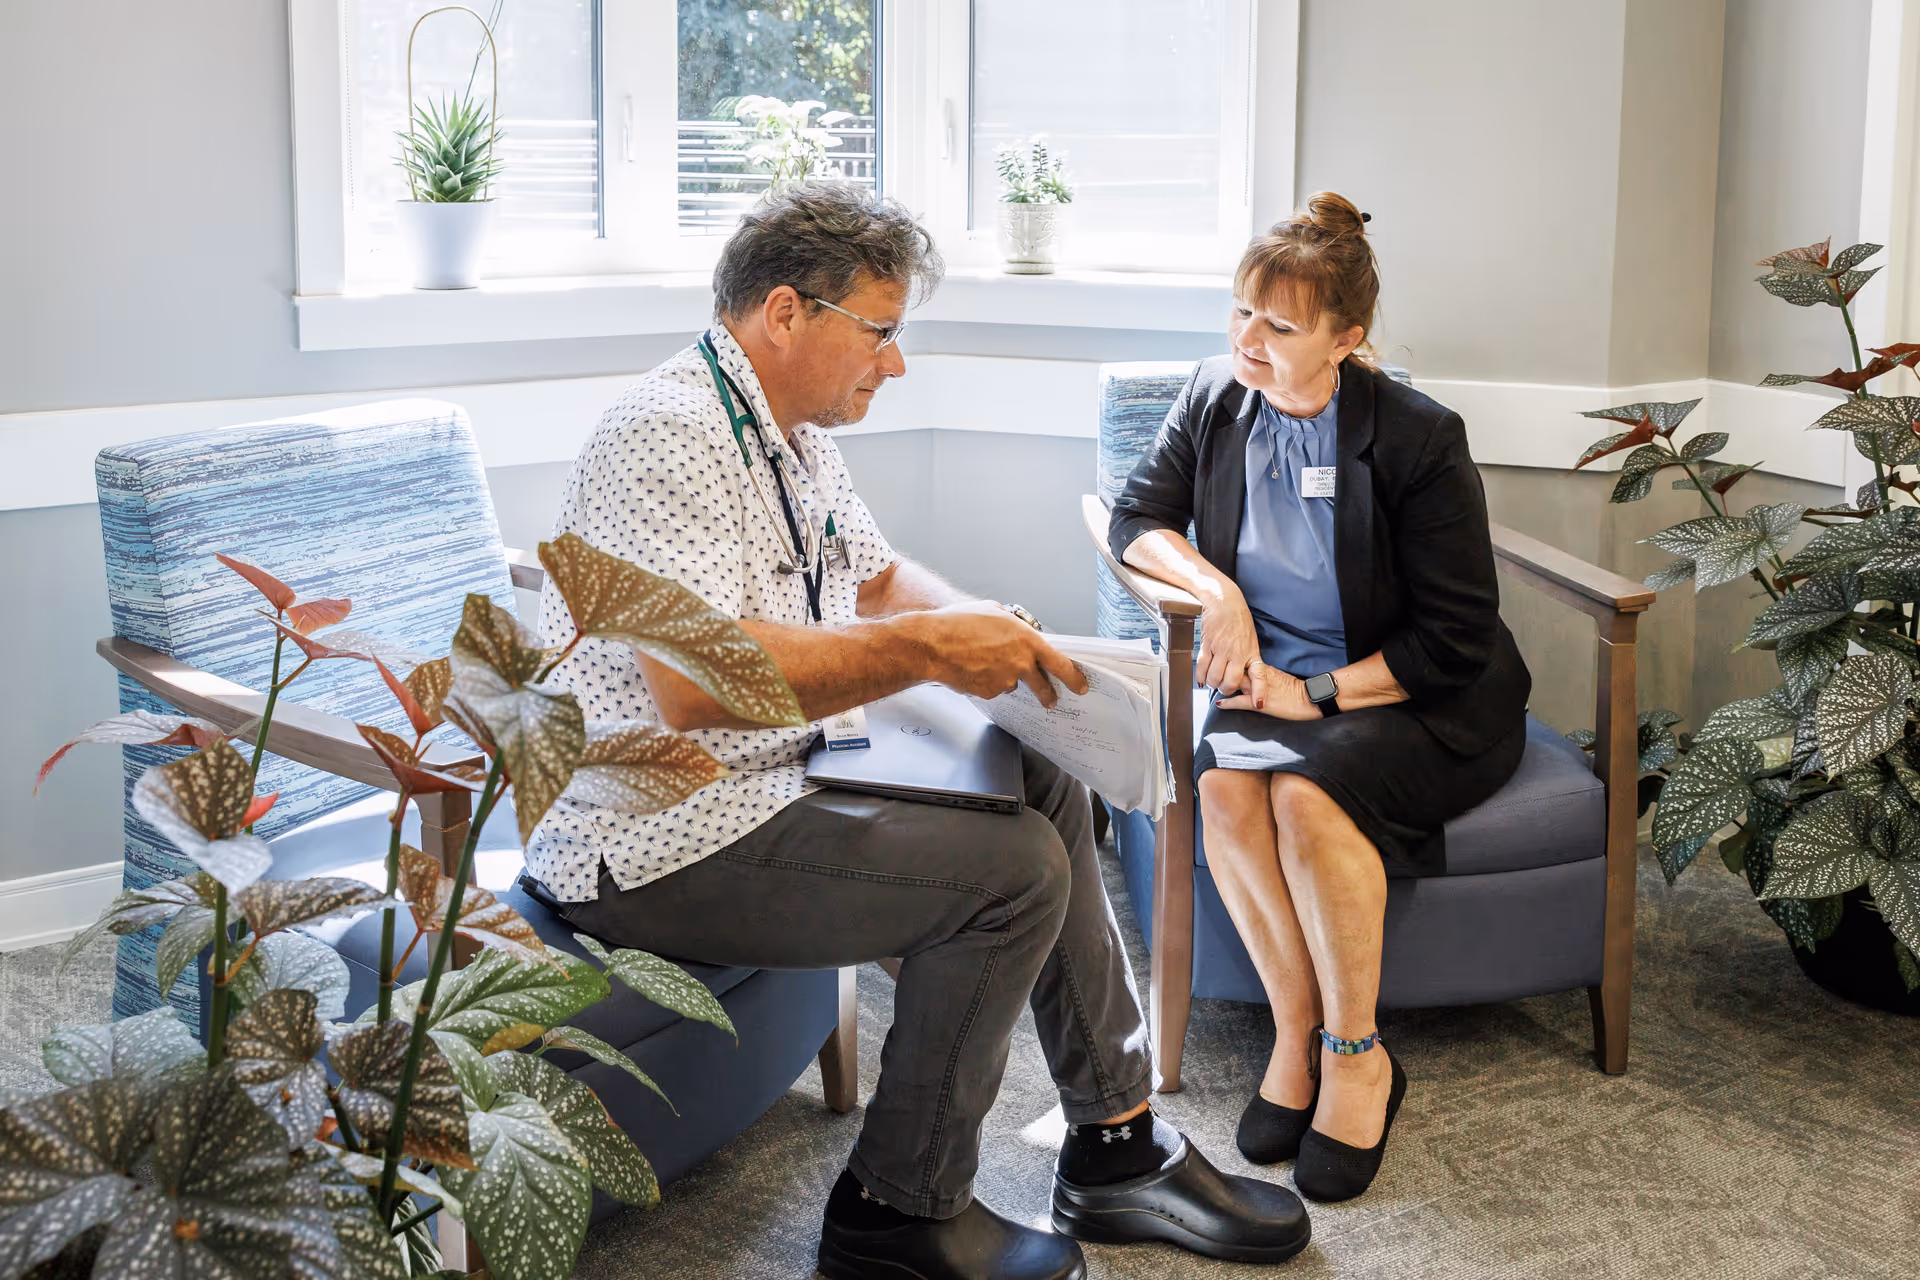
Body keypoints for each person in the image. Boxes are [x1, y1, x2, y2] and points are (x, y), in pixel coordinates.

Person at [526, 183, 1309, 1280]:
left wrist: (988, 632)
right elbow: (694, 684)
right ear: (787, 312)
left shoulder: (785, 432)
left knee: (1042, 770)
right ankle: (893, 1215)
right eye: (882, 332)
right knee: (1012, 874)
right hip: (651, 835)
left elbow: (880, 576)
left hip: (771, 776)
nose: (894, 365)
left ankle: (1117, 1141)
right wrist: (943, 653)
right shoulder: (665, 435)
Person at [1107, 192, 1531, 1204]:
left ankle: (1357, 1054)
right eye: (1243, 312)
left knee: (1304, 796)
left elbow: (1457, 634)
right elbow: (1138, 516)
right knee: (1223, 792)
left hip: (1417, 690)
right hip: (1268, 676)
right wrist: (1219, 594)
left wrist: (1322, 695)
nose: (1249, 340)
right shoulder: (1215, 395)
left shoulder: (1418, 438)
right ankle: (1293, 1032)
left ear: (1347, 339)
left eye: (1280, 325)